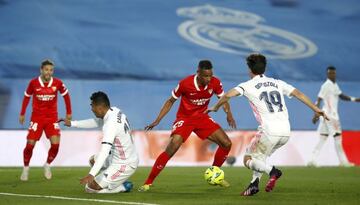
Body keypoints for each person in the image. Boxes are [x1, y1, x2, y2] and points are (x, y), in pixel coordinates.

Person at [206, 53, 328, 196]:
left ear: (249, 69)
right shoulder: (277, 83)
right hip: (286, 132)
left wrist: (215, 107)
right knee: (260, 157)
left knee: (248, 159)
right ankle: (254, 184)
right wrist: (317, 109)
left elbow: (227, 95)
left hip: (269, 131)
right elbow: (299, 94)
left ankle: (272, 171)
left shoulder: (247, 85)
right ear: (264, 68)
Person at [138, 60, 236, 192]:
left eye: (210, 76)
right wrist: (157, 120)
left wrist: (228, 113)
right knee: (172, 146)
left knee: (226, 143)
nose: (209, 79)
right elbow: (170, 101)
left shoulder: (216, 82)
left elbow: (223, 99)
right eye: (206, 76)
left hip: (202, 117)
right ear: (198, 73)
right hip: (185, 119)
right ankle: (148, 183)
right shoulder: (185, 83)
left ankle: (214, 174)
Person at [60, 91, 138, 193]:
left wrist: (91, 174)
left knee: (90, 188)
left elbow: (104, 153)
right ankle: (111, 179)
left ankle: (123, 187)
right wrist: (72, 123)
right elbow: (97, 122)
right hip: (119, 157)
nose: (92, 109)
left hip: (124, 164)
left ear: (100, 107)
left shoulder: (110, 125)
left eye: (93, 106)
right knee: (93, 160)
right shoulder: (114, 111)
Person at [19, 59, 72, 181]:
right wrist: (22, 113)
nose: (49, 72)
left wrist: (69, 112)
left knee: (56, 145)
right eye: (46, 69)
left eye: (51, 70)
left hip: (52, 117)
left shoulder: (58, 83)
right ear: (41, 70)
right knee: (30, 145)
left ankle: (47, 165)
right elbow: (26, 97)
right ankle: (26, 168)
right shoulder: (33, 83)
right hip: (37, 118)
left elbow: (66, 96)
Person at [308, 66, 359, 167]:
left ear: (335, 73)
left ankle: (312, 160)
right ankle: (344, 162)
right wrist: (315, 113)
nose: (332, 75)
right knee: (338, 138)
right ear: (327, 74)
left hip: (326, 116)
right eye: (330, 73)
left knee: (323, 138)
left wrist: (355, 99)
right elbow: (319, 99)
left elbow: (341, 96)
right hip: (331, 116)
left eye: (333, 73)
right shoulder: (326, 85)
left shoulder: (334, 85)